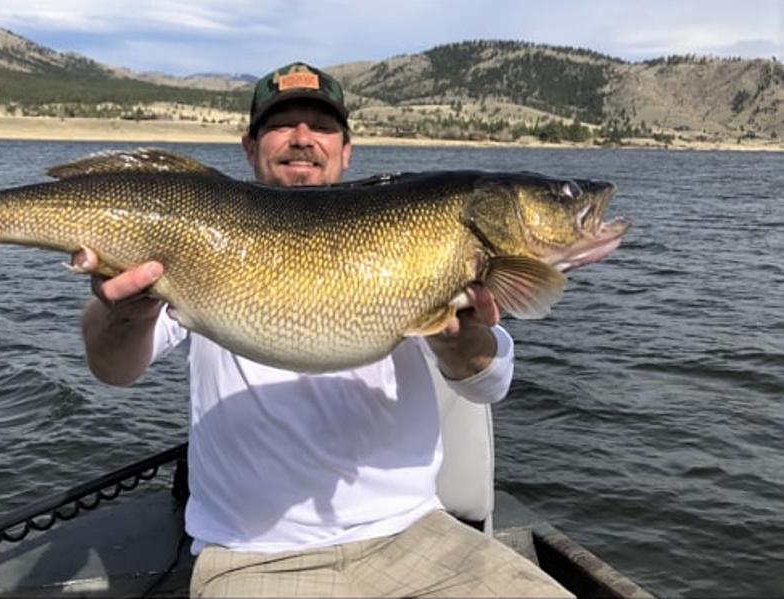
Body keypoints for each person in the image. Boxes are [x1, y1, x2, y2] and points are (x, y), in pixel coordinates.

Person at [74, 62, 572, 597]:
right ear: (250, 146)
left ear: (346, 149)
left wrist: (454, 333)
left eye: (322, 125)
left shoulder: (418, 227)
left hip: (417, 535)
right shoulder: (197, 229)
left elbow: (487, 384)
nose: (303, 138)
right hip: (251, 556)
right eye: (283, 124)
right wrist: (125, 312)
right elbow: (114, 369)